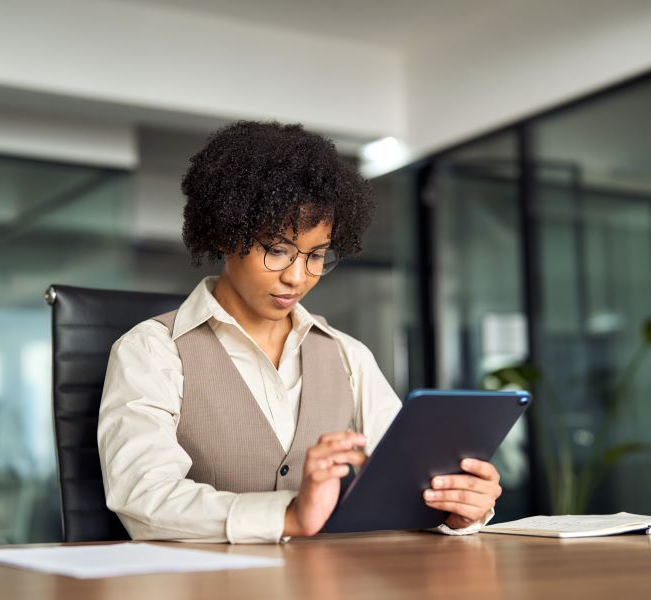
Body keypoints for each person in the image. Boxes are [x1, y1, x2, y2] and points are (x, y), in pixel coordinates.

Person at [97, 121, 501, 543]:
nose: (297, 276)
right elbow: (144, 498)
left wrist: (455, 508)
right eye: (277, 250)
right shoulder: (152, 351)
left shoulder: (347, 355)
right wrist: (287, 515)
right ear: (225, 233)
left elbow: (404, 481)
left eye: (316, 256)